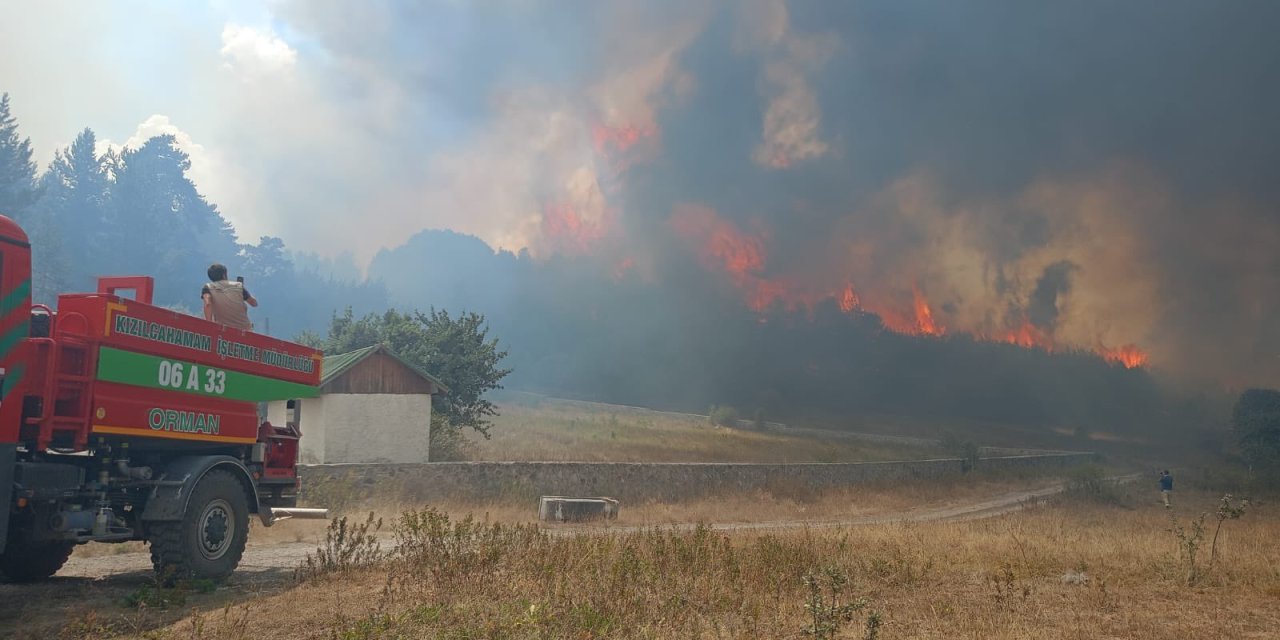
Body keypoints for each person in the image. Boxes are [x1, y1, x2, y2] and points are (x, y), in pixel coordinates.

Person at [201, 263, 257, 331]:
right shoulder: (238, 286)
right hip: (245, 330)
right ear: (224, 275)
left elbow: (208, 304)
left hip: (223, 330)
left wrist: (209, 326)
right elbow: (254, 303)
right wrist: (242, 292)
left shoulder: (208, 287)